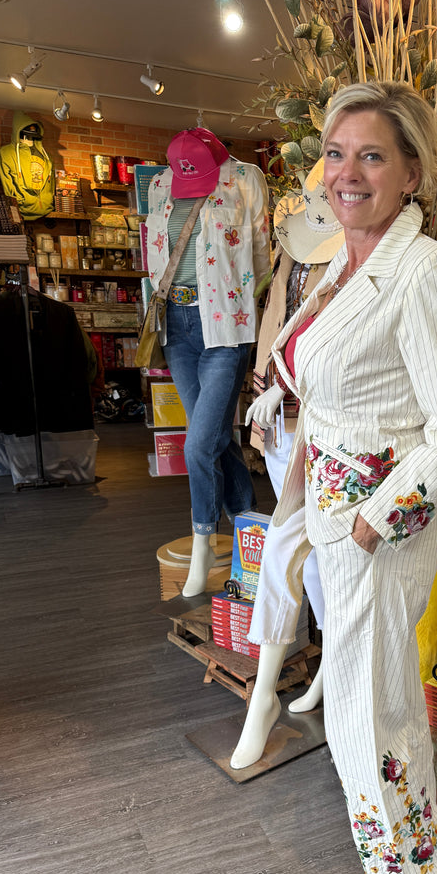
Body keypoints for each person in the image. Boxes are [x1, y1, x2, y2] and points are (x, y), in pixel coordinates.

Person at [246, 81, 437, 874]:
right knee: (370, 703)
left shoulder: (425, 273)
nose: (347, 172)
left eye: (372, 154)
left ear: (412, 171)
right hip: (335, 510)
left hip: (380, 528)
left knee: (365, 708)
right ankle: (405, 860)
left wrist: (373, 519)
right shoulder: (345, 262)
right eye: (336, 153)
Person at [230, 163, 344, 770]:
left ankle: (263, 700)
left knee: (283, 548)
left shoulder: (356, 257)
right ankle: (321, 667)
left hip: (326, 424)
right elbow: (277, 323)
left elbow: (338, 343)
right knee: (309, 555)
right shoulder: (293, 247)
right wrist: (264, 391)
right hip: (280, 414)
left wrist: (290, 386)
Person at [145, 128, 272, 595]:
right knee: (217, 436)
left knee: (198, 445)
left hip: (225, 325)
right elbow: (156, 253)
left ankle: (203, 548)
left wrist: (238, 300)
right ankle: (249, 530)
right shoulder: (161, 185)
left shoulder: (245, 179)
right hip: (177, 326)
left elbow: (261, 254)